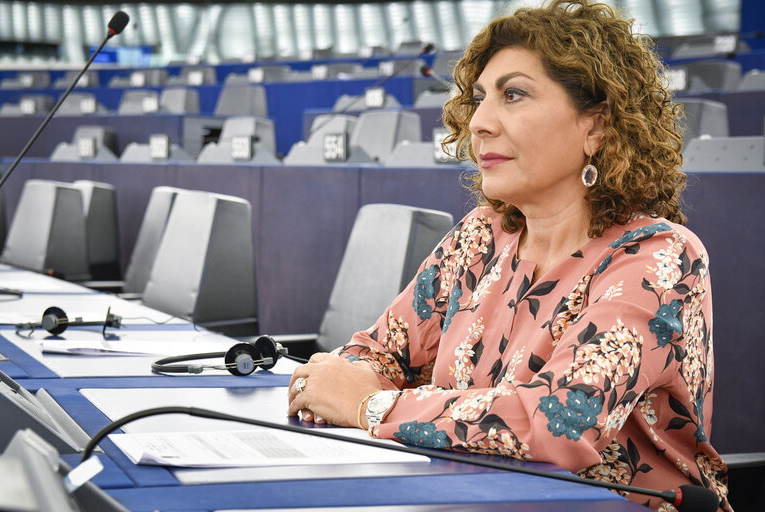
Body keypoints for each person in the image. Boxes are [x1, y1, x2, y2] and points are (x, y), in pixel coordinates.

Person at [287, 1, 731, 510]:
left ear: (597, 126)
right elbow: (374, 353)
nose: (478, 123)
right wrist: (347, 384)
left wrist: (368, 405)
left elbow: (558, 424)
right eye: (477, 100)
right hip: (471, 497)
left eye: (513, 95)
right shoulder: (481, 236)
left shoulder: (659, 258)